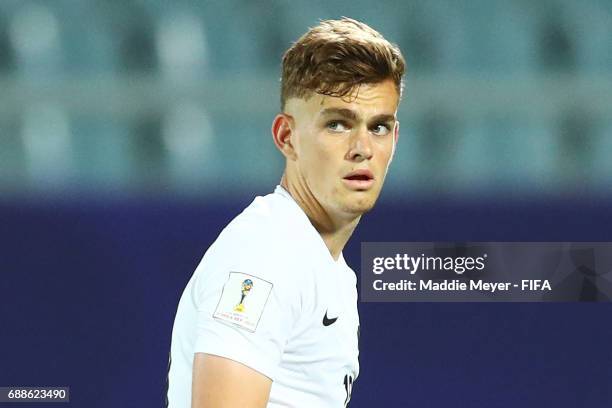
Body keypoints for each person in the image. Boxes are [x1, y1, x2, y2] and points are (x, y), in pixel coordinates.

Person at [167, 17, 406, 408]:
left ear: (395, 138)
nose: (362, 147)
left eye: (378, 127)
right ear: (286, 137)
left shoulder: (323, 265)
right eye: (337, 124)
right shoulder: (265, 257)